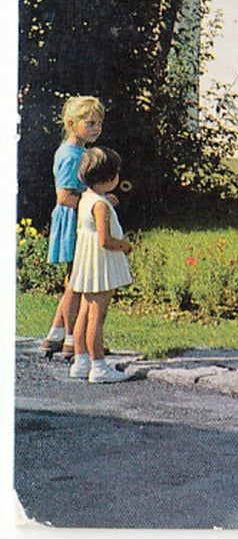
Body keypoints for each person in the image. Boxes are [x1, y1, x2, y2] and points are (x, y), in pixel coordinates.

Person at [40, 97, 106, 358]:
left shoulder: (80, 152)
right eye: (90, 123)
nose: (96, 128)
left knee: (73, 280)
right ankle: (70, 338)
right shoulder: (70, 154)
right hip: (72, 221)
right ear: (71, 124)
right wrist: (94, 203)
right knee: (75, 283)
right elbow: (65, 196)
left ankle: (55, 335)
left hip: (77, 220)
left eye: (99, 123)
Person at [67, 147, 134, 384]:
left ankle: (81, 359)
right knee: (98, 314)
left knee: (85, 311)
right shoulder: (101, 205)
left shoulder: (87, 198)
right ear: (109, 178)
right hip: (100, 264)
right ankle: (98, 366)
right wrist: (124, 246)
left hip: (86, 262)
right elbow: (105, 240)